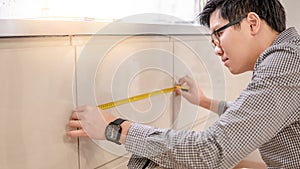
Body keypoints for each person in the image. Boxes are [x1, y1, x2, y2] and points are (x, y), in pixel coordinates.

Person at [67, 0, 300, 168]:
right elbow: (256, 117)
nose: (217, 48)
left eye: (218, 34)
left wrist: (116, 128)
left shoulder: (284, 64)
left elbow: (210, 153)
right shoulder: (287, 58)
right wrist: (204, 101)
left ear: (252, 23)